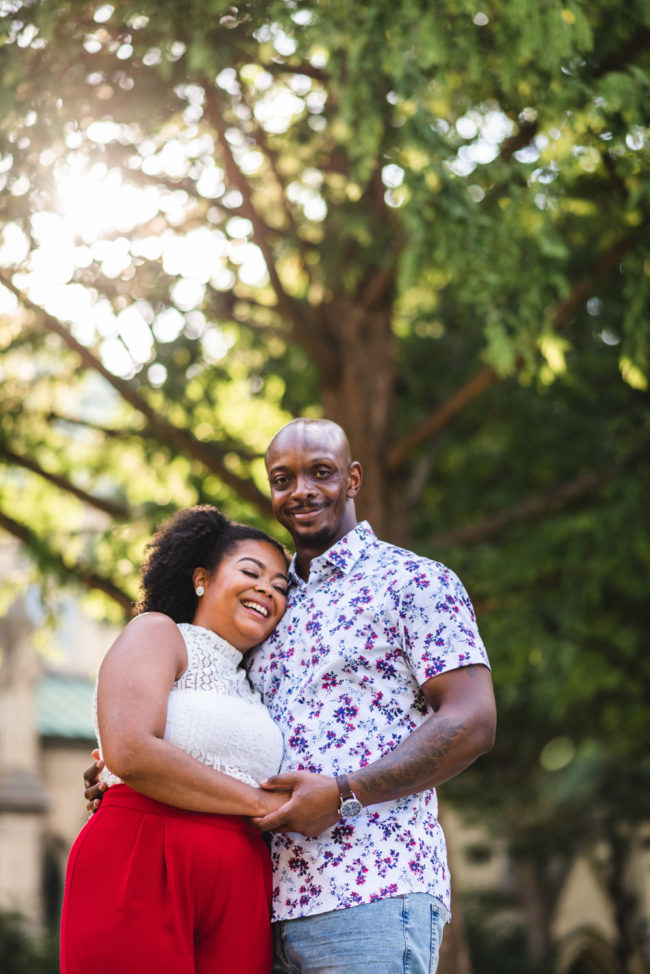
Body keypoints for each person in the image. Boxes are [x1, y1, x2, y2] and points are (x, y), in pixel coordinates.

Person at [85, 419, 496, 974]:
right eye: (283, 479)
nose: (301, 490)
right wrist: (119, 774)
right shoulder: (270, 609)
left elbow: (472, 721)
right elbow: (204, 719)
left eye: (320, 473)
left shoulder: (414, 582)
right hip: (259, 903)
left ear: (352, 479)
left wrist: (345, 791)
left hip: (369, 890)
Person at [62, 506, 293, 974]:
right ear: (201, 578)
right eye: (251, 572)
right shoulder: (159, 634)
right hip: (143, 857)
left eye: (281, 586)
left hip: (243, 881)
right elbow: (130, 751)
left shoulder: (257, 688)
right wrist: (260, 803)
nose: (267, 588)